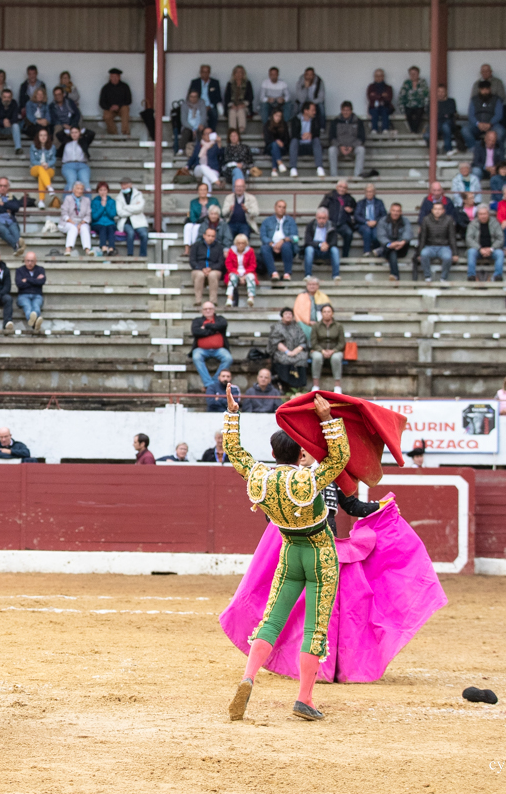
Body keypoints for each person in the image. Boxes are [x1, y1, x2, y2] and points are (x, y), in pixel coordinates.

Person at [222, 391, 348, 722]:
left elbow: (234, 451)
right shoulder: (307, 479)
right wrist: (328, 421)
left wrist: (233, 413)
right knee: (315, 628)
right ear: (300, 453)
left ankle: (248, 677)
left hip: (289, 552)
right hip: (320, 555)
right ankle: (304, 698)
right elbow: (339, 459)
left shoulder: (260, 477)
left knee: (272, 619)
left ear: (275, 453)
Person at [190, 300, 230, 389]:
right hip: (201, 349)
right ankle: (209, 384)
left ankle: (214, 382)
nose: (208, 311)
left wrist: (206, 327)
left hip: (219, 349)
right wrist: (215, 330)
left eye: (210, 309)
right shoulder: (197, 321)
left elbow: (223, 325)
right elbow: (196, 332)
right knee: (196, 357)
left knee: (228, 358)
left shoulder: (220, 319)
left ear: (214, 309)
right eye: (205, 309)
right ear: (202, 311)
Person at [270, 307, 310, 391]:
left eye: (290, 314)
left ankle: (299, 385)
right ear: (282, 316)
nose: (288, 316)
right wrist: (287, 352)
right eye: (286, 314)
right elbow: (276, 342)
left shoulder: (297, 327)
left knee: (302, 358)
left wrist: (294, 352)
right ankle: (285, 383)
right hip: (282, 351)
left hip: (296, 351)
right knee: (283, 359)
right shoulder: (277, 327)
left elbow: (302, 342)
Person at [417, 201, 458, 282]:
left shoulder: (449, 219)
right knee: (424, 254)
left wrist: (455, 253)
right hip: (430, 246)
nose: (437, 211)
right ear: (432, 210)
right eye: (435, 209)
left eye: (439, 209)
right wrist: (419, 252)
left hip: (444, 247)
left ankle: (443, 278)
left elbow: (452, 237)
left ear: (443, 210)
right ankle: (427, 277)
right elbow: (423, 237)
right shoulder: (426, 219)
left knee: (447, 257)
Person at [258, 200, 299, 281]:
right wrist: (272, 244)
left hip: (286, 247)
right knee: (264, 248)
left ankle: (287, 274)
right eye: (279, 207)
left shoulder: (290, 221)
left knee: (286, 246)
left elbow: (295, 237)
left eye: (284, 207)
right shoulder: (267, 221)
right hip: (271, 246)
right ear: (275, 207)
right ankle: (273, 273)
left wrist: (283, 241)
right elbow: (263, 236)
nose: (281, 209)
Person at [0, 177, 25, 256]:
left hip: (10, 221)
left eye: (5, 186)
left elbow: (16, 207)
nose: (2, 188)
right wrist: (7, 209)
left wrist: (4, 204)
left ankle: (17, 247)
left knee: (16, 232)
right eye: (0, 185)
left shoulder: (11, 197)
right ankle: (18, 246)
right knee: (4, 231)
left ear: (8, 187)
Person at [309, 304, 345, 393]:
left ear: (332, 313)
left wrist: (333, 351)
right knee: (317, 357)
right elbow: (313, 342)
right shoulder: (316, 326)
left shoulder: (338, 326)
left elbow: (342, 343)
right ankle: (316, 385)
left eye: (329, 312)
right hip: (319, 350)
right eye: (324, 312)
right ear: (321, 313)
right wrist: (322, 351)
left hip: (335, 350)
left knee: (336, 358)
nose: (326, 314)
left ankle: (337, 386)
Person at [465, 204, 506, 282]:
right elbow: (469, 239)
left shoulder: (495, 223)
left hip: (492, 249)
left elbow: (500, 238)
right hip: (477, 250)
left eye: (485, 214)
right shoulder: (473, 224)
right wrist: (479, 249)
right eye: (480, 214)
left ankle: (498, 276)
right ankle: (471, 275)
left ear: (488, 214)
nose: (483, 216)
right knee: (471, 252)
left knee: (500, 253)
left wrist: (491, 249)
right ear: (477, 215)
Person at [463, 80, 505, 150]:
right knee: (465, 130)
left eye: (487, 89)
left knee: (501, 132)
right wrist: (478, 124)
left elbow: (499, 115)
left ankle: (495, 151)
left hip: (492, 125)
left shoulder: (496, 99)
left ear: (490, 89)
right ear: (479, 90)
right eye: (483, 89)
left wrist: (490, 123)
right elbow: (471, 115)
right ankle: (474, 149)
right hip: (477, 126)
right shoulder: (474, 100)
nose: (485, 91)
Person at [188, 227, 224, 306]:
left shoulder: (219, 247)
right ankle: (198, 301)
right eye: (209, 235)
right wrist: (201, 269)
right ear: (204, 235)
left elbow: (221, 262)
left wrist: (211, 268)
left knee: (213, 275)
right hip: (199, 269)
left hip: (214, 269)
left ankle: (213, 301)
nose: (210, 238)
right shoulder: (196, 245)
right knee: (200, 275)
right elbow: (192, 261)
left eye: (213, 236)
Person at [303, 208, 340, 280]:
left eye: (324, 218)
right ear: (316, 217)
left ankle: (336, 275)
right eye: (319, 218)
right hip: (315, 249)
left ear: (327, 218)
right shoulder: (311, 225)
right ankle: (308, 275)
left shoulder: (331, 225)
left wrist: (327, 245)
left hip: (327, 249)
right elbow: (307, 241)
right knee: (309, 249)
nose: (321, 221)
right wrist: (320, 245)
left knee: (335, 250)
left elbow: (334, 241)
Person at [288, 101, 324, 178]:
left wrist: (311, 134)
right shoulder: (296, 119)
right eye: (312, 110)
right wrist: (302, 137)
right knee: (294, 141)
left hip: (310, 145)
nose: (314, 112)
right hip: (299, 146)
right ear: (306, 111)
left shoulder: (315, 120)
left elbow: (317, 133)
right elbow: (293, 134)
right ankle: (293, 168)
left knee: (317, 141)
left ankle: (319, 167)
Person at [114, 177, 148, 257]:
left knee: (144, 235)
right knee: (130, 233)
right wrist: (133, 208)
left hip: (138, 221)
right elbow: (120, 213)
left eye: (125, 184)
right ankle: (130, 255)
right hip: (126, 221)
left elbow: (140, 208)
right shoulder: (119, 197)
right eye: (122, 185)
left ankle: (143, 256)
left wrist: (125, 207)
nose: (123, 187)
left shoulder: (138, 194)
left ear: (130, 184)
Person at [56, 125, 93, 192]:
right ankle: (69, 201)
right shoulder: (66, 141)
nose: (74, 134)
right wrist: (67, 130)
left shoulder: (84, 141)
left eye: (76, 132)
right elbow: (58, 134)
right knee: (71, 182)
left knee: (85, 183)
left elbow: (92, 134)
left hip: (82, 165)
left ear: (79, 133)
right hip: (68, 165)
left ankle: (87, 202)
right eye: (72, 132)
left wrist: (83, 130)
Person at [224, 234, 258, 307]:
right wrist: (237, 274)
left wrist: (245, 274)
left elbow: (253, 264)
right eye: (239, 243)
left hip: (247, 271)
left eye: (243, 243)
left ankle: (251, 297)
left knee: (251, 277)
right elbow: (228, 264)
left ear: (246, 244)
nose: (241, 245)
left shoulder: (250, 251)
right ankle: (229, 298)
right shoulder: (231, 251)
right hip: (234, 271)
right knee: (232, 278)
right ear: (236, 243)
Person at [16, 251, 45, 333]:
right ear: (24, 260)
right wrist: (35, 280)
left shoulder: (40, 269)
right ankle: (35, 323)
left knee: (36, 307)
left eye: (32, 261)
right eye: (28, 260)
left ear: (35, 261)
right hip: (23, 295)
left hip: (37, 295)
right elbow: (19, 284)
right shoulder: (19, 270)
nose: (30, 263)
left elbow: (41, 282)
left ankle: (33, 322)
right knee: (27, 307)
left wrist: (27, 280)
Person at [60, 180, 92, 255]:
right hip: (68, 222)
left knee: (84, 228)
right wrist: (74, 224)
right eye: (78, 188)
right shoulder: (68, 198)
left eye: (81, 189)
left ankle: (88, 250)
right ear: (74, 190)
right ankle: (68, 249)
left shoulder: (86, 200)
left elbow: (88, 215)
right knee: (73, 228)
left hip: (81, 222)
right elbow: (64, 213)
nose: (79, 191)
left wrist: (80, 224)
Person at [0, 88, 21, 155]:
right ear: (1, 97)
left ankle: (18, 149)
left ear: (11, 98)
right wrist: (2, 122)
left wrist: (9, 122)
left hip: (9, 128)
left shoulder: (14, 103)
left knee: (16, 125)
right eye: (4, 97)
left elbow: (15, 118)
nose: (6, 99)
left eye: (8, 97)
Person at [189, 65, 224, 130]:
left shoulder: (215, 83)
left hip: (210, 106)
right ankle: (197, 133)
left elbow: (218, 97)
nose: (205, 74)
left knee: (213, 114)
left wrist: (210, 106)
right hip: (198, 106)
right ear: (200, 73)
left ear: (209, 73)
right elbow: (189, 96)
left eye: (206, 72)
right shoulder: (195, 82)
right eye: (203, 72)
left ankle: (211, 133)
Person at [29, 127, 57, 208]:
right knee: (41, 169)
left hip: (49, 169)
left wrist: (48, 164)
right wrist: (41, 164)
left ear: (48, 136)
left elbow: (54, 159)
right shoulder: (33, 147)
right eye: (41, 135)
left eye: (45, 135)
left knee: (42, 177)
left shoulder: (52, 147)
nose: (43, 137)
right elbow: (33, 160)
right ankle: (49, 187)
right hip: (35, 168)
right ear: (38, 137)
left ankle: (41, 201)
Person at [99, 68, 131, 135]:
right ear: (110, 77)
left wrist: (118, 106)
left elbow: (129, 100)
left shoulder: (125, 86)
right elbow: (101, 102)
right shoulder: (105, 88)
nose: (114, 78)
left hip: (121, 108)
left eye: (116, 77)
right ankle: (114, 136)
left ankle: (125, 133)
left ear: (119, 77)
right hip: (110, 109)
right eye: (113, 77)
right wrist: (109, 107)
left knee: (125, 109)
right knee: (106, 116)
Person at [223, 66, 253, 133]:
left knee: (240, 111)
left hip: (244, 106)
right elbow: (227, 98)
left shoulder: (248, 84)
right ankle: (232, 131)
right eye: (237, 72)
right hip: (233, 106)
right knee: (232, 112)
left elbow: (250, 97)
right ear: (234, 74)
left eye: (241, 72)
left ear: (243, 74)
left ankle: (241, 130)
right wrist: (232, 105)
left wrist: (243, 105)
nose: (239, 74)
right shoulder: (230, 84)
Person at [366, 69, 394, 134]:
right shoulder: (371, 87)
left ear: (383, 77)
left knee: (385, 111)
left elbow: (389, 98)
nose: (378, 78)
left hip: (385, 107)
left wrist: (376, 95)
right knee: (374, 112)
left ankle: (385, 129)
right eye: (376, 76)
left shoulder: (388, 87)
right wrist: (382, 95)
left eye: (380, 76)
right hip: (373, 107)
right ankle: (374, 130)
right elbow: (370, 98)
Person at [263, 108, 290, 177]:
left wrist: (282, 143)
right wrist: (276, 141)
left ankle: (274, 170)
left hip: (282, 148)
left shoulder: (284, 125)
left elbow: (287, 138)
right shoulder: (267, 125)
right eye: (276, 115)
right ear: (273, 116)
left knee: (275, 149)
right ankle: (280, 163)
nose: (278, 118)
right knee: (274, 145)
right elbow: (267, 140)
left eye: (280, 116)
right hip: (270, 146)